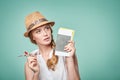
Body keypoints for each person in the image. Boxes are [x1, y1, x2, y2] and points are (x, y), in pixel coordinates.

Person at [24, 11, 80, 80]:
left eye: (47, 28)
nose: (45, 33)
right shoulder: (31, 61)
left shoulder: (65, 50)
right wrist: (36, 73)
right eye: (38, 31)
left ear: (50, 30)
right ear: (32, 37)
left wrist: (70, 59)